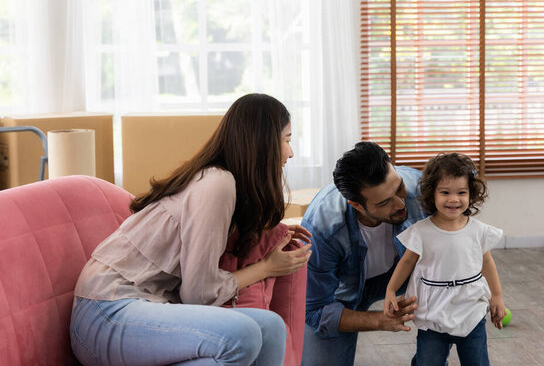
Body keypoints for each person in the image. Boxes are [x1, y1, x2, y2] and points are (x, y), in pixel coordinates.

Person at [70, 93, 312, 366]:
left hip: (142, 308)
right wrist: (267, 267)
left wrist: (277, 230)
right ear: (264, 142)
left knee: (271, 327)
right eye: (287, 140)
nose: (290, 152)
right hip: (106, 310)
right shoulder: (217, 183)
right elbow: (199, 294)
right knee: (243, 333)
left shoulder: (220, 182)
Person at [301, 142, 427, 366]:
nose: (400, 203)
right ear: (357, 205)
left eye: (398, 188)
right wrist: (380, 321)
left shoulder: (420, 188)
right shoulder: (321, 226)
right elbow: (314, 310)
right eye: (385, 202)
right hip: (342, 289)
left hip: (402, 274)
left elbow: (465, 184)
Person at [384, 152, 506, 366]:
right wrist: (391, 290)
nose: (454, 199)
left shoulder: (478, 231)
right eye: (445, 192)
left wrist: (496, 296)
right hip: (434, 312)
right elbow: (407, 262)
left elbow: (487, 262)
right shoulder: (421, 231)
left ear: (471, 193)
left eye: (461, 192)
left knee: (477, 361)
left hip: (470, 309)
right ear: (432, 194)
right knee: (429, 361)